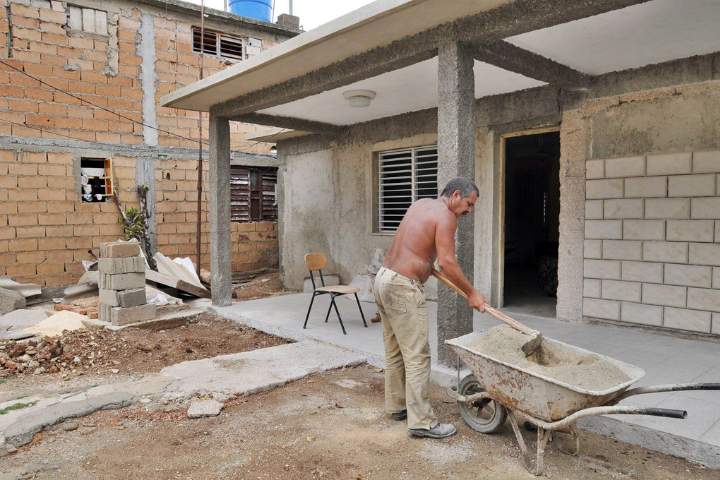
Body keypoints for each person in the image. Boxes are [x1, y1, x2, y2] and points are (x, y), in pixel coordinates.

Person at [373, 177, 486, 438]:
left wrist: (425, 264)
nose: (469, 211)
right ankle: (422, 422)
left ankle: (397, 406)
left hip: (383, 278)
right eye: (469, 204)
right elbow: (447, 262)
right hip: (402, 286)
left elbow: (417, 245)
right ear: (456, 195)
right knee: (418, 355)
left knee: (395, 351)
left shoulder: (421, 204)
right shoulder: (447, 216)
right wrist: (472, 294)